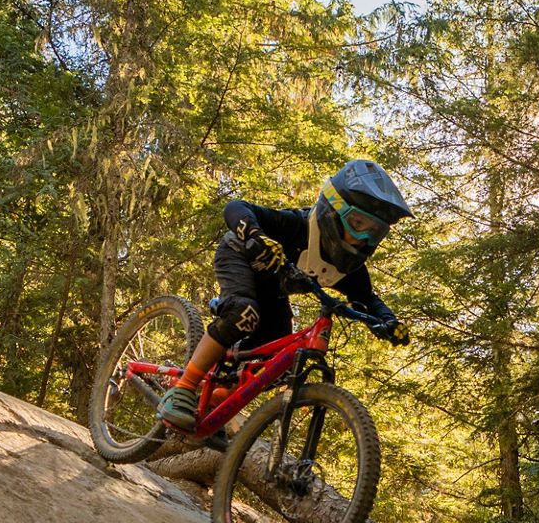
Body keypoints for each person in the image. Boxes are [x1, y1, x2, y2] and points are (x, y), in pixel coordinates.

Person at [156, 159, 413, 430]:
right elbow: (235, 208)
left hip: (273, 289)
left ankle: (216, 398)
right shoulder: (298, 226)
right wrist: (255, 236)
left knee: (280, 362)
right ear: (333, 212)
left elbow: (369, 299)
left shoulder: (351, 271)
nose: (362, 239)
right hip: (239, 255)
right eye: (357, 223)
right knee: (242, 311)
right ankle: (184, 387)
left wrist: (388, 322)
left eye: (373, 232)